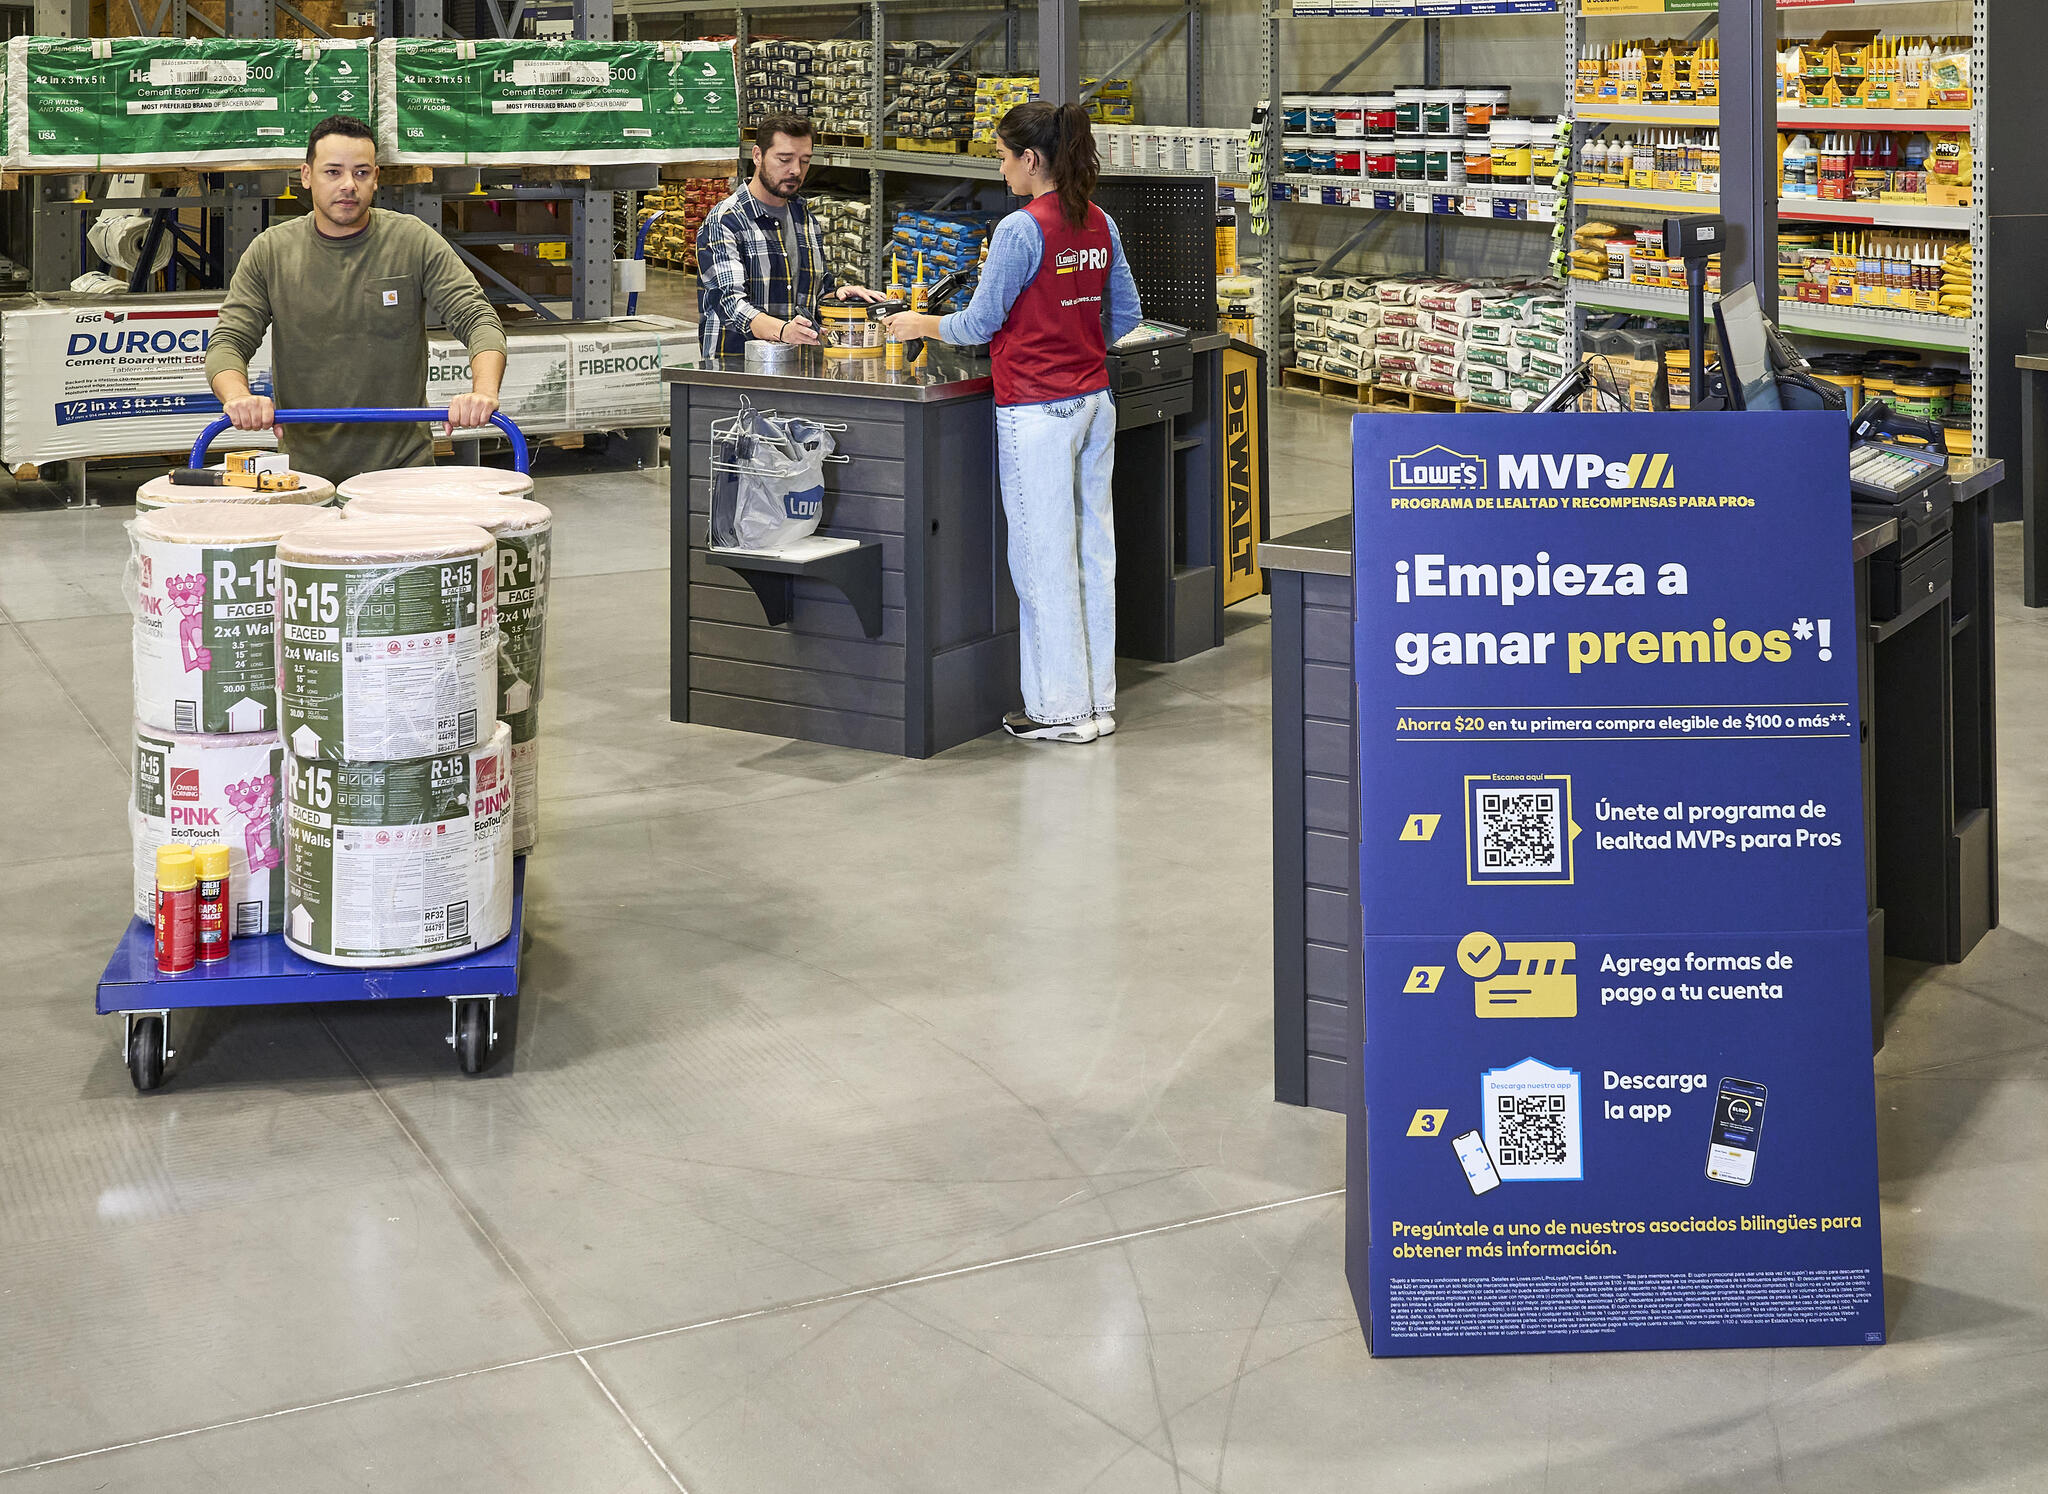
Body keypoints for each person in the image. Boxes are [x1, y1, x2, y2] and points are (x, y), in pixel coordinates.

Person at [883, 100, 1142, 744]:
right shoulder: (1099, 222)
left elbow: (978, 324)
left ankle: (1060, 712)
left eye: (1002, 157)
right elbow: (1127, 316)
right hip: (1093, 404)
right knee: (1092, 554)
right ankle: (1097, 702)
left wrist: (919, 323)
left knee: (1041, 559)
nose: (999, 169)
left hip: (1036, 411)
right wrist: (1076, 344)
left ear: (1031, 159)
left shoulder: (1020, 230)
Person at [205, 115, 507, 486]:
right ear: (306, 176)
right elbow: (229, 342)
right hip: (305, 475)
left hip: (403, 471)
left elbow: (477, 319)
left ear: (375, 178)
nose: (348, 184)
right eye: (333, 172)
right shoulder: (271, 251)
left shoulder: (413, 241)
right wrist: (238, 397)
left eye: (361, 173)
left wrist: (483, 392)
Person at [696, 115, 882, 359]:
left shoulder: (804, 219)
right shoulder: (726, 221)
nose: (796, 170)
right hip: (737, 366)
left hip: (794, 365)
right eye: (784, 159)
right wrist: (784, 331)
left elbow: (812, 294)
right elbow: (730, 303)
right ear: (757, 156)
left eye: (805, 161)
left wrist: (836, 296)